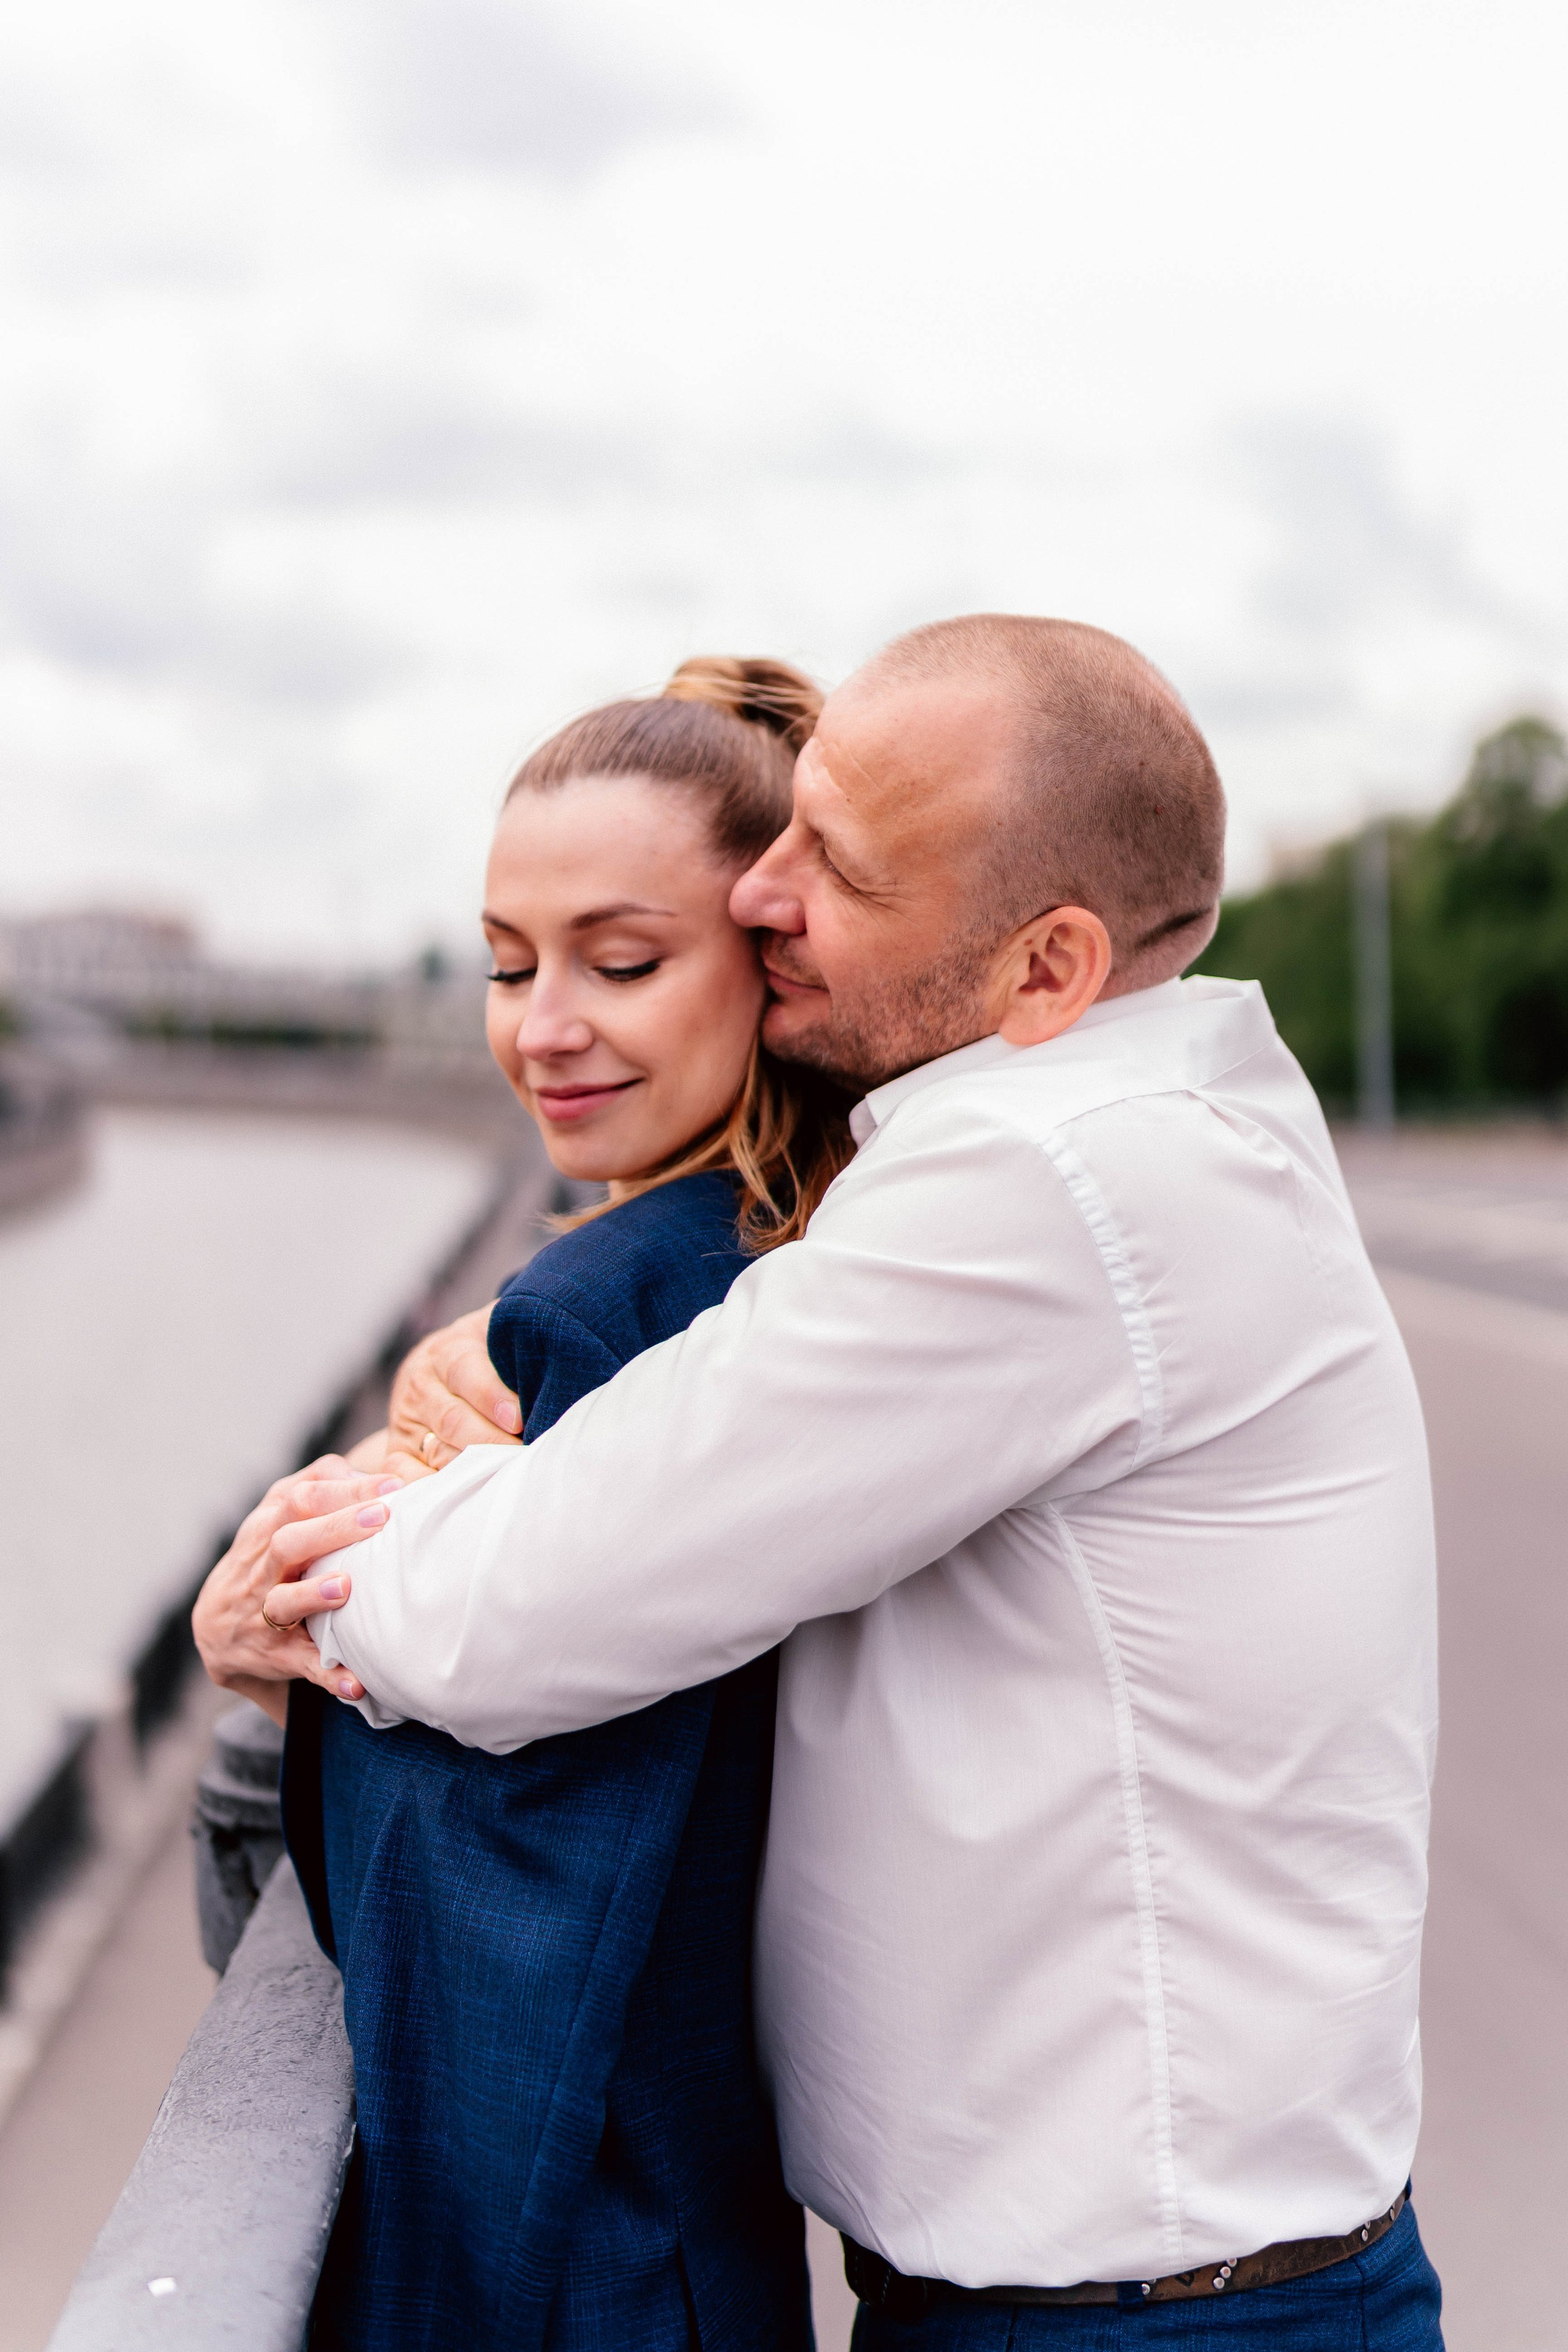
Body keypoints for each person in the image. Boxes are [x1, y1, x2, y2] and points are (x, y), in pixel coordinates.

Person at [205, 614, 1443, 2348]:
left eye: (839, 867)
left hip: (1139, 2324)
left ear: (1048, 968)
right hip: (1151, 2294)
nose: (762, 889)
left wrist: (324, 1548)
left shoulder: (1048, 1189)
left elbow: (512, 1614)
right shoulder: (1158, 1113)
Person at [198, 657, 852, 2351]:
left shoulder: (607, 1313)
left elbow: (503, 1896)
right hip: (710, 2220)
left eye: (620, 962)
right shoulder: (803, 1267)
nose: (540, 1026)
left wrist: (288, 1671)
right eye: (506, 963)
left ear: (778, 964)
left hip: (589, 2245)